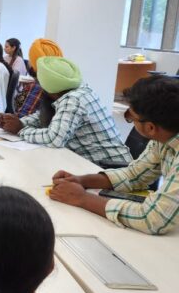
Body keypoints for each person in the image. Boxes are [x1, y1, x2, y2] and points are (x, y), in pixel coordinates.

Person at [50, 75, 179, 235]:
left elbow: (153, 218)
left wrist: (82, 198)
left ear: (150, 127)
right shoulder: (164, 137)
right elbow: (134, 174)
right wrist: (82, 180)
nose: (130, 120)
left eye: (131, 117)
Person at [0, 57, 132, 167]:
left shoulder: (73, 100)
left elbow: (54, 139)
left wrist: (20, 129)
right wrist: (17, 122)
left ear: (48, 86)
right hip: (95, 162)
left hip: (109, 167)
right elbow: (41, 117)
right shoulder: (78, 90)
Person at [13, 38, 63, 118]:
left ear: (36, 63)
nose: (28, 62)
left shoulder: (39, 86)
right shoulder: (60, 84)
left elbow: (21, 118)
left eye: (30, 59)